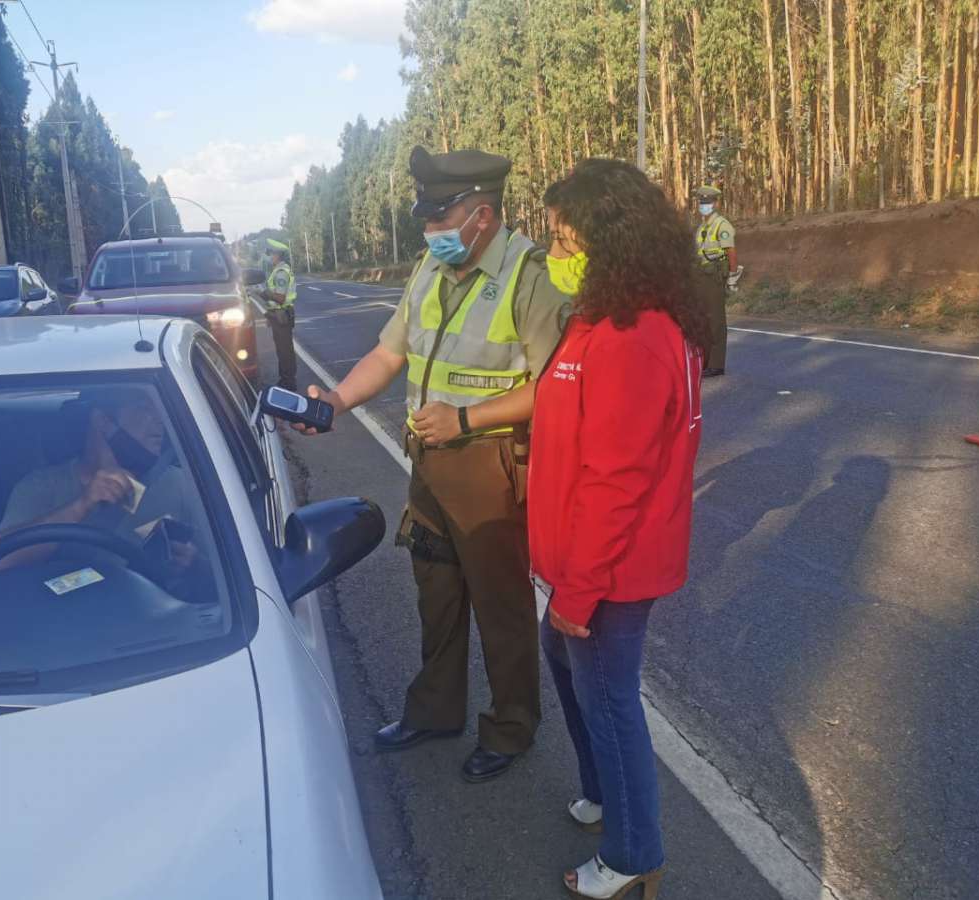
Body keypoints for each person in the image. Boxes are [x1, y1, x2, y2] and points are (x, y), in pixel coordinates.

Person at [301, 145, 569, 782]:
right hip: (429, 459)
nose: (429, 233)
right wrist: (334, 401)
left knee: (500, 603)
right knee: (437, 592)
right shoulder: (428, 269)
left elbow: (555, 387)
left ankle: (511, 727)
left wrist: (468, 419)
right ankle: (436, 709)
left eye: (439, 221)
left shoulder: (529, 277)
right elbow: (390, 354)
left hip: (490, 462)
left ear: (481, 215)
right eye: (426, 222)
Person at [529, 159, 710, 899]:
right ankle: (606, 794)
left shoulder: (633, 337)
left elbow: (617, 479)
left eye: (565, 240)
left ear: (610, 242)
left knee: (609, 698)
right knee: (573, 672)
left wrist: (578, 589)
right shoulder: (604, 320)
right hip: (586, 559)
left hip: (609, 567)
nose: (555, 254)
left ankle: (635, 851)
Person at [0, 388, 200, 586]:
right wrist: (82, 504)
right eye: (144, 408)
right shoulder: (42, 486)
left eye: (160, 411)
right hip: (62, 620)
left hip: (153, 622)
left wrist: (192, 563)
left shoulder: (179, 484)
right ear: (103, 421)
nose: (160, 420)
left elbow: (223, 580)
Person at [693, 184, 739, 377]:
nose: (704, 205)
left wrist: (732, 276)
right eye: (702, 202)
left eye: (708, 202)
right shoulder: (702, 226)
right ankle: (704, 361)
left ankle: (716, 364)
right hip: (701, 276)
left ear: (716, 203)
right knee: (702, 320)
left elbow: (731, 252)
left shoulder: (722, 225)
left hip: (714, 276)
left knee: (715, 320)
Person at [262, 238, 298, 390]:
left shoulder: (281, 273)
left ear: (278, 255)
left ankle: (287, 383)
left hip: (282, 315)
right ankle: (287, 381)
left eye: (272, 254)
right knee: (285, 349)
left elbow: (280, 298)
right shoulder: (279, 270)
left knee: (284, 351)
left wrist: (263, 293)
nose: (270, 257)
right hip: (280, 315)